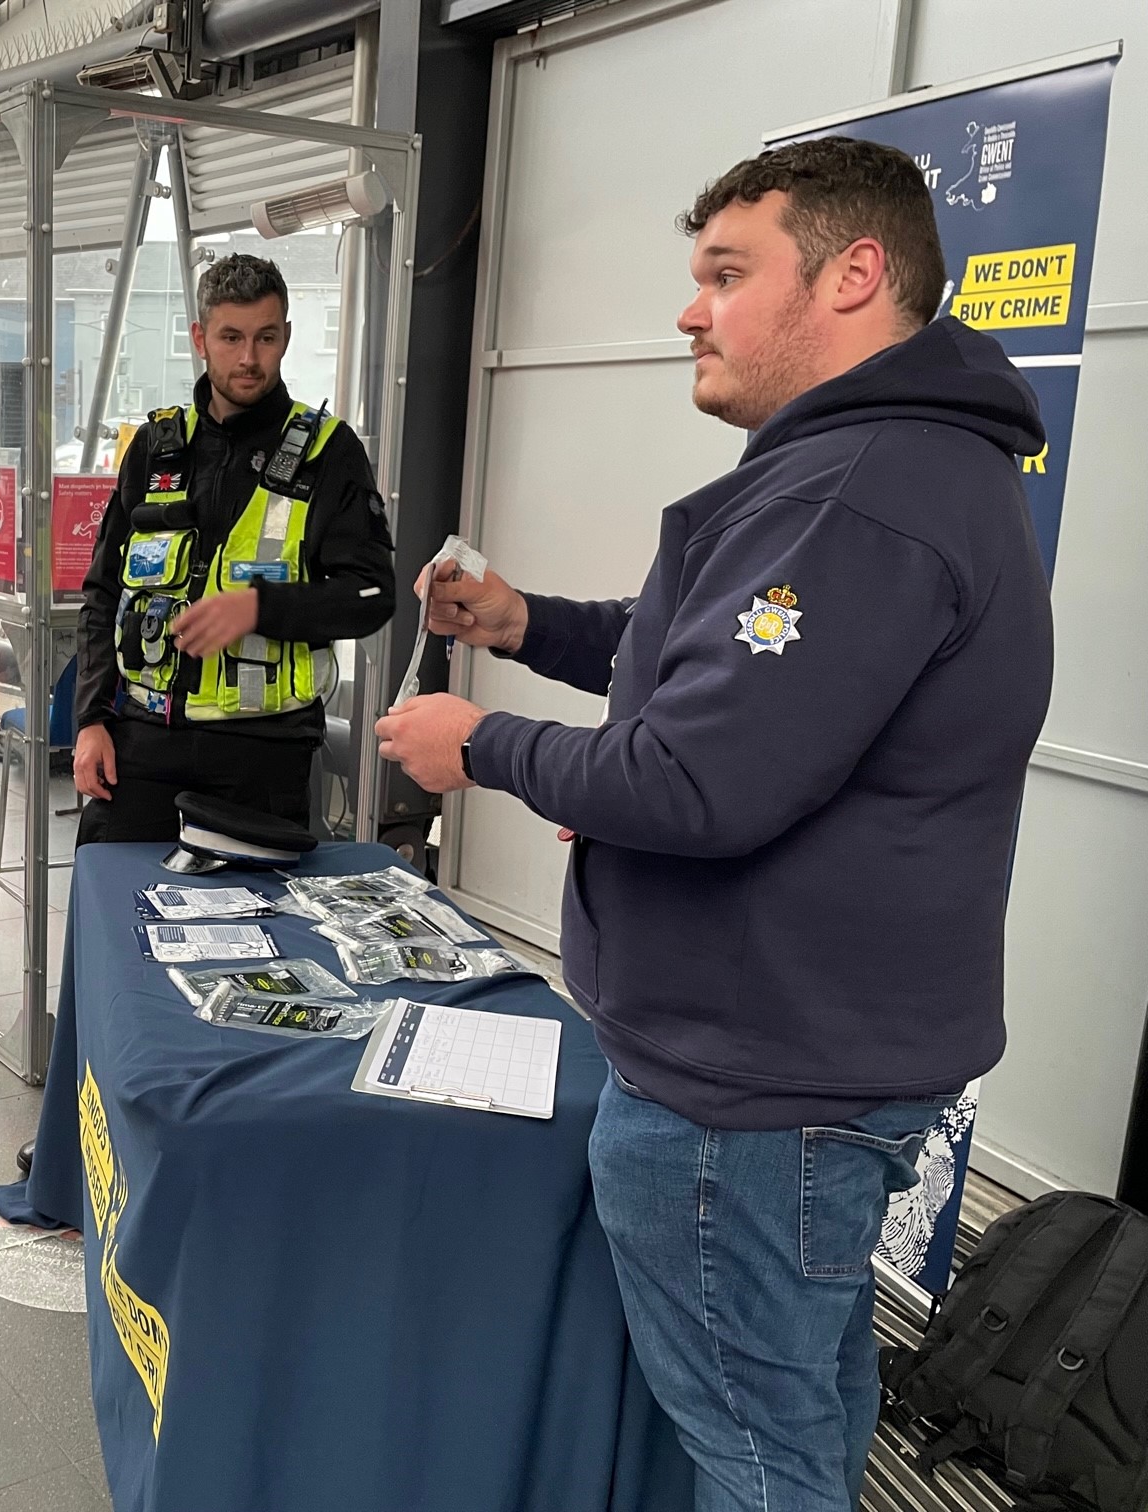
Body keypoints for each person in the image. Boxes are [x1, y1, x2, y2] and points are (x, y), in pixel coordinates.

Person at [374, 138, 1052, 1510]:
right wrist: (521, 626)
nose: (692, 310)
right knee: (799, 1393)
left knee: (757, 1450)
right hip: (805, 1062)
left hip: (752, 1094)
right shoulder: (880, 470)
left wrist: (478, 744)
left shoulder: (859, 496)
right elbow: (700, 666)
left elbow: (698, 782)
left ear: (856, 274)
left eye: (727, 276)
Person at [72, 253, 396, 841]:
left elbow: (371, 595)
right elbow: (102, 593)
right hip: (141, 742)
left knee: (252, 929)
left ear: (287, 337)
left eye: (266, 337)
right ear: (200, 337)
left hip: (264, 754)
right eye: (231, 337)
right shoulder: (153, 447)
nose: (249, 358)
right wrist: (91, 718)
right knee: (113, 913)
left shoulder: (329, 451)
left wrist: (258, 607)